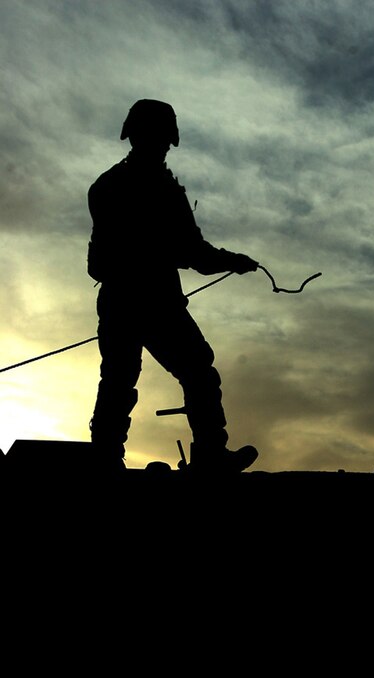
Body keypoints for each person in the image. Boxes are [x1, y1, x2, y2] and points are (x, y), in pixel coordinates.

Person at [87, 98, 259, 473]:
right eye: (161, 139)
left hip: (122, 300)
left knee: (119, 379)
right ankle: (210, 454)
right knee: (194, 370)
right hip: (153, 303)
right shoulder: (160, 191)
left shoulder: (106, 186)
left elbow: (97, 263)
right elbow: (193, 252)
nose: (163, 146)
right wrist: (233, 261)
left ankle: (105, 457)